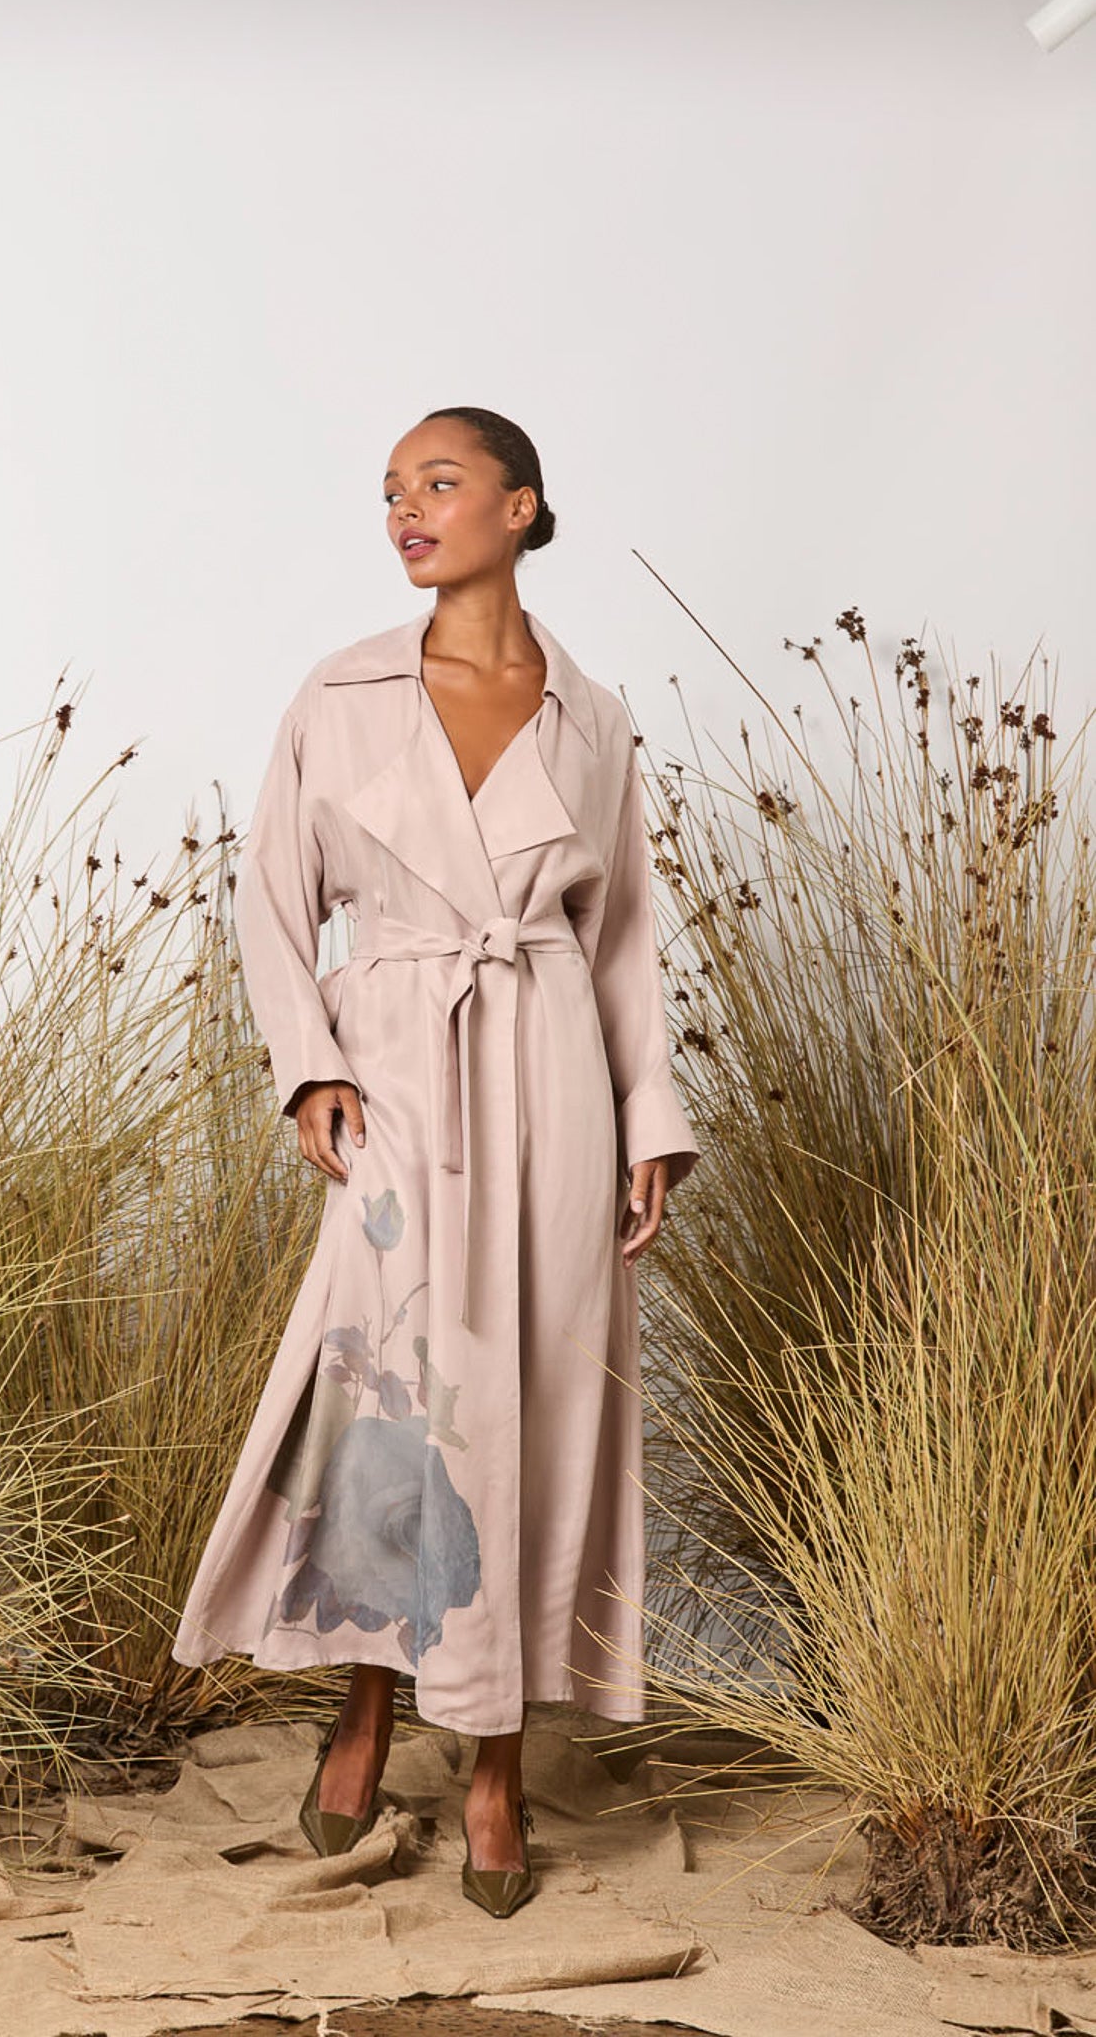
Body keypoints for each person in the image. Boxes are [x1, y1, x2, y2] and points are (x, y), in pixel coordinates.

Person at [172, 405, 700, 1918]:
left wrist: (646, 1122)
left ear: (519, 508)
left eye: (441, 482)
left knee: (531, 1399)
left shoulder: (591, 720)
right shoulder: (339, 693)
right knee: (388, 1386)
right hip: (400, 1065)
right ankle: (365, 1699)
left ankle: (493, 1762)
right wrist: (310, 1066)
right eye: (391, 489)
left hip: (553, 1074)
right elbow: (271, 897)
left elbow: (621, 939)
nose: (406, 508)